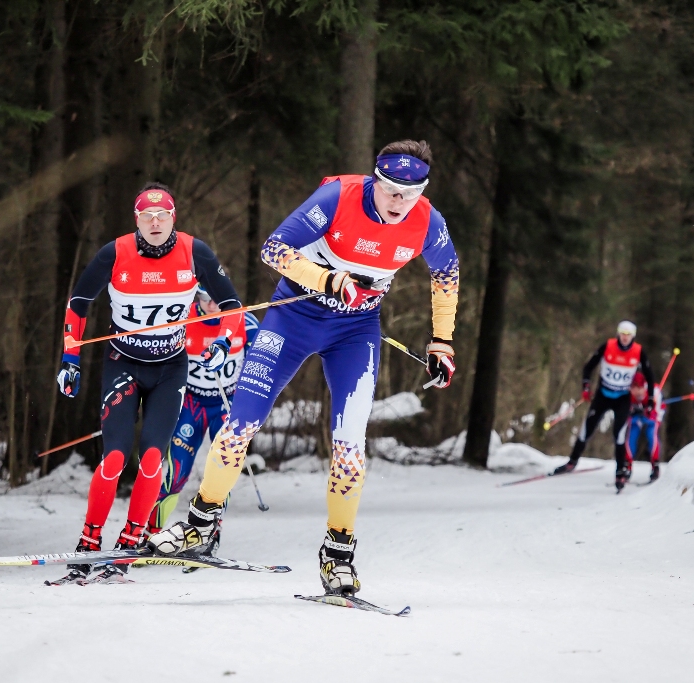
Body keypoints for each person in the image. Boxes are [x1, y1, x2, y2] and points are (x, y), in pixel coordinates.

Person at [146, 139, 459, 596]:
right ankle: (199, 523)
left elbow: (447, 274)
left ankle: (338, 552)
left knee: (351, 447)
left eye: (409, 194)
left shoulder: (429, 222)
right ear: (375, 180)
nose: (398, 202)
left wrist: (442, 342)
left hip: (355, 332)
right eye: (390, 189)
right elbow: (274, 249)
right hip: (293, 318)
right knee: (239, 428)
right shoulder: (338, 198)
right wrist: (328, 279)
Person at [49, 183, 245, 585]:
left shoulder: (195, 252)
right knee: (116, 458)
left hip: (171, 368)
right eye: (146, 216)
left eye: (163, 216)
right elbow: (78, 304)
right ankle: (88, 543)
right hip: (123, 363)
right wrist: (70, 359)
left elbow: (232, 305)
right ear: (136, 219)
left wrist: (225, 342)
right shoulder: (115, 253)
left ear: (174, 217)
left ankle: (129, 542)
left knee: (154, 458)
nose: (155, 223)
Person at [146, 289, 259, 534]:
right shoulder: (184, 319)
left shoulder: (244, 320)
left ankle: (210, 534)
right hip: (192, 405)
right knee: (176, 473)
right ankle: (151, 533)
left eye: (216, 298)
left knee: (221, 473)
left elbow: (260, 363)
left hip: (226, 404)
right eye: (205, 298)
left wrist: (249, 399)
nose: (211, 304)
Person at [552, 320, 655, 492]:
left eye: (628, 335)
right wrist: (586, 386)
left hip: (622, 398)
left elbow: (649, 376)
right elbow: (588, 367)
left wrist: (650, 398)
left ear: (633, 337)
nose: (625, 338)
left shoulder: (638, 351)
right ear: (618, 333)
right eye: (622, 333)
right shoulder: (607, 346)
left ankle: (620, 472)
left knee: (619, 435)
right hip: (603, 395)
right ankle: (572, 462)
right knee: (587, 428)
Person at [624, 372, 663, 483]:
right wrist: (633, 413)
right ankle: (627, 466)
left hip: (652, 418)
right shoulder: (627, 393)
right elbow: (624, 413)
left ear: (644, 386)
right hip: (635, 419)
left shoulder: (654, 391)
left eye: (639, 388)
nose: (637, 391)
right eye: (633, 388)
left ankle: (655, 466)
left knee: (652, 436)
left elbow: (658, 413)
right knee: (631, 437)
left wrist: (647, 413)